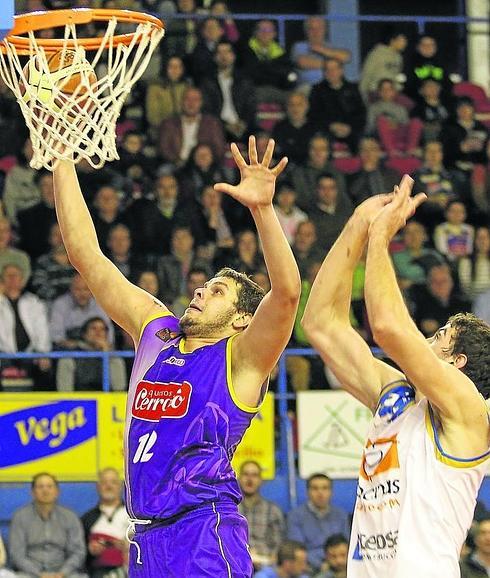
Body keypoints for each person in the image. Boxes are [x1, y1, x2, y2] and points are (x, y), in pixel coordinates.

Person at [52, 135, 301, 577]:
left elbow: (286, 295)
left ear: (242, 319)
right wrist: (62, 156)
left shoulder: (240, 359)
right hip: (146, 541)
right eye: (204, 285)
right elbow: (86, 256)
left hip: (203, 532)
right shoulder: (156, 332)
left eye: (218, 291)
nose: (201, 290)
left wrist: (262, 211)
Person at [302, 175, 490, 577]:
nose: (424, 340)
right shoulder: (397, 397)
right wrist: (355, 224)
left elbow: (387, 326)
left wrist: (380, 239)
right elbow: (320, 323)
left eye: (438, 337)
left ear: (457, 363)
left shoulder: (469, 409)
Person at [8, 472, 88, 578]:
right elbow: (16, 554)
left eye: (49, 486)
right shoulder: (20, 517)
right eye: (40, 486)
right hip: (30, 573)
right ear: (33, 492)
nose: (45, 490)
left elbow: (78, 552)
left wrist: (63, 573)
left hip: (63, 573)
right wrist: (39, 574)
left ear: (57, 492)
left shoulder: (70, 517)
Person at [287, 474, 350, 574]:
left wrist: (332, 562)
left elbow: (346, 547)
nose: (320, 493)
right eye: (315, 488)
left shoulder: (341, 515)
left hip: (338, 565)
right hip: (307, 568)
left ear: (331, 492)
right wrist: (321, 563)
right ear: (308, 492)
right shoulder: (295, 516)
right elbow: (297, 551)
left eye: (325, 488)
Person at [81, 468, 129, 578]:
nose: (109, 486)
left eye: (113, 482)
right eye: (104, 482)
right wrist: (90, 550)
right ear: (97, 487)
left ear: (121, 486)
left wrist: (127, 545)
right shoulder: (88, 518)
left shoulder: (133, 515)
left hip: (130, 569)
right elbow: (79, 552)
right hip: (98, 571)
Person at [237, 460, 285, 569]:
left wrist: (268, 558)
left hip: (266, 564)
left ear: (261, 481)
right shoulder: (230, 510)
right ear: (239, 479)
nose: (250, 479)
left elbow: (278, 545)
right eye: (246, 474)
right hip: (236, 563)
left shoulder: (273, 510)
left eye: (254, 475)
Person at [291, 16, 350, 92]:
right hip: (309, 87)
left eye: (319, 28)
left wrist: (322, 50)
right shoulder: (299, 46)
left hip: (332, 87)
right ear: (306, 31)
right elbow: (302, 62)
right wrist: (333, 65)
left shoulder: (331, 46)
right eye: (311, 29)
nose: (316, 32)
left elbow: (346, 57)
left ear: (325, 30)